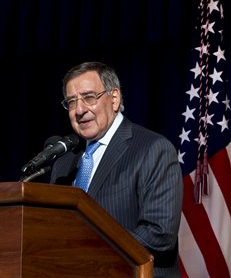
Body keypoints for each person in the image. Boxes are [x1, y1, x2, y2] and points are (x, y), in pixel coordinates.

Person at [50, 61, 183, 278]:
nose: (80, 110)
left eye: (89, 97)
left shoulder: (152, 148)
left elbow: (159, 234)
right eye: (72, 102)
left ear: (114, 99)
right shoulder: (63, 165)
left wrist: (86, 250)